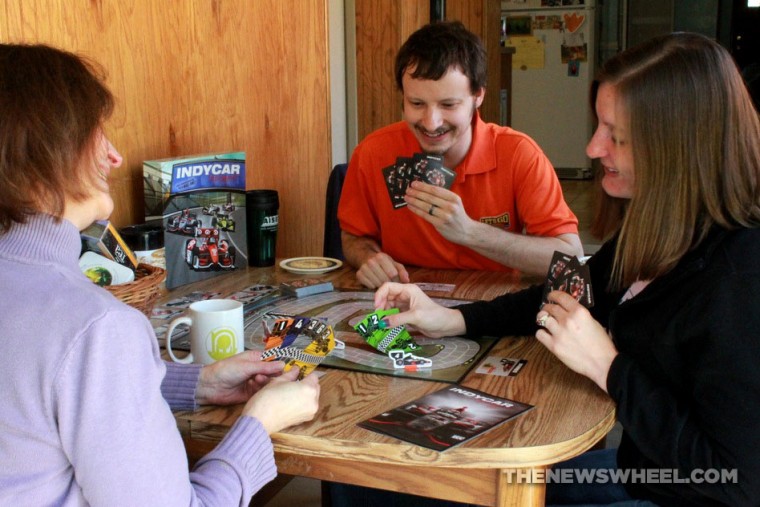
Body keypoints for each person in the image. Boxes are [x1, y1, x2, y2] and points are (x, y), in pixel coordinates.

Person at [332, 32, 760, 506]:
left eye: (615, 135)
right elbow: (570, 289)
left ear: (680, 148)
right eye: (598, 126)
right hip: (641, 470)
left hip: (678, 496)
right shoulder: (662, 223)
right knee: (387, 483)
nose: (593, 148)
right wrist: (454, 319)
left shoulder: (741, 278)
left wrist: (609, 366)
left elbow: (735, 482)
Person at [0, 43, 320, 505]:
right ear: (48, 153)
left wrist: (198, 382)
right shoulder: (97, 327)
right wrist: (260, 422)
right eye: (97, 135)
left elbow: (43, 398)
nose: (113, 157)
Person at [338, 21, 583, 289]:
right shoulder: (372, 153)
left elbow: (570, 255)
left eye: (448, 105)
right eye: (417, 104)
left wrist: (470, 232)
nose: (431, 123)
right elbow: (353, 237)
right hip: (404, 298)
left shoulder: (520, 155)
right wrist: (369, 258)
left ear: (478, 95)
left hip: (490, 305)